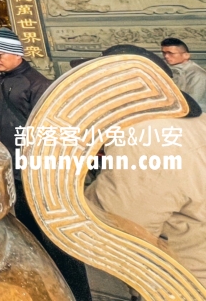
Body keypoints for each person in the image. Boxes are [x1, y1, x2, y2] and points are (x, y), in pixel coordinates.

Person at [0, 27, 93, 301]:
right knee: (27, 229)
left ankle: (77, 292)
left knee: (53, 235)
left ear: (17, 54)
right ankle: (42, 282)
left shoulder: (38, 84)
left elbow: (52, 128)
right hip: (14, 168)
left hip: (37, 169)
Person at [86, 45, 206, 288]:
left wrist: (78, 194)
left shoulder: (145, 136)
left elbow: (124, 227)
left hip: (184, 278)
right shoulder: (193, 119)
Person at [161, 37, 206, 110]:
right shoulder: (167, 69)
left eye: (170, 53)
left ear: (186, 55)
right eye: (164, 53)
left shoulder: (197, 74)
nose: (166, 56)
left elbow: (194, 103)